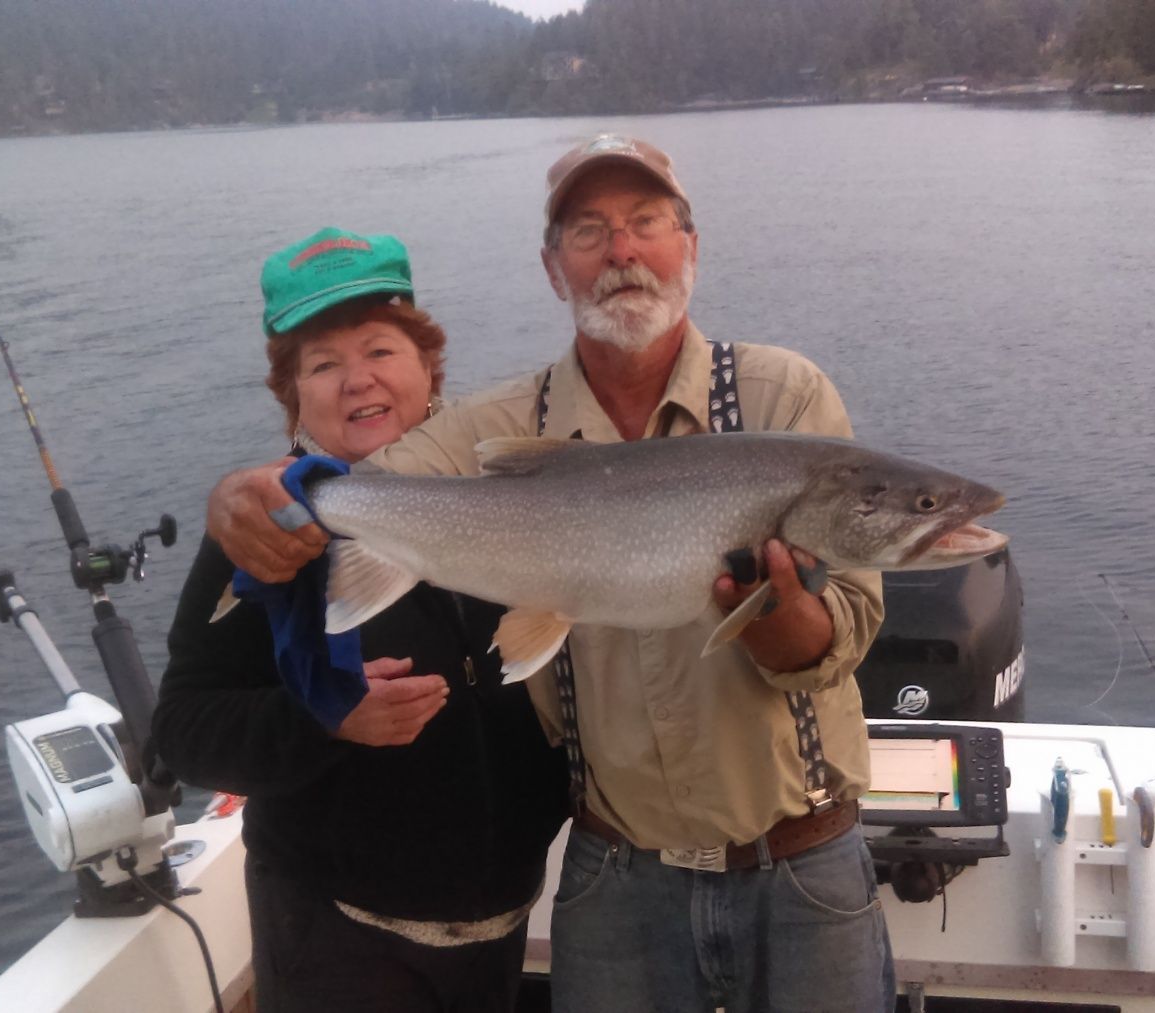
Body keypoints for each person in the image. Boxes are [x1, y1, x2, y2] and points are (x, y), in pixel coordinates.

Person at [207, 137, 897, 1012]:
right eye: (589, 231)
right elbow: (358, 484)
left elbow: (844, 636)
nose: (622, 252)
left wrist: (774, 613)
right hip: (616, 878)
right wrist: (240, 494)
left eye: (647, 223)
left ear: (690, 244)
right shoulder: (496, 425)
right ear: (551, 266)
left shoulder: (786, 400)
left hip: (803, 865)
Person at [151, 227, 567, 1013]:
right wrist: (323, 718)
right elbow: (183, 727)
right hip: (341, 940)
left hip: (500, 931)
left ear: (427, 368)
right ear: (294, 396)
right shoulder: (270, 525)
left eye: (380, 350)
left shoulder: (512, 488)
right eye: (322, 364)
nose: (357, 380)